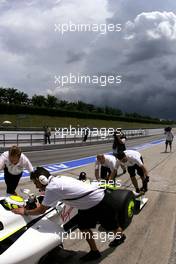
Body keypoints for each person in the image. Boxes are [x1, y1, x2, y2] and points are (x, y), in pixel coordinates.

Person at [12, 167, 126, 261]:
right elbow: (48, 201)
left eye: (35, 182)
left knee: (111, 227)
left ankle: (120, 237)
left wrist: (25, 211)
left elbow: (42, 210)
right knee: (83, 227)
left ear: (42, 180)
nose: (36, 186)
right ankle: (94, 252)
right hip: (86, 204)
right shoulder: (58, 178)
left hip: (99, 201)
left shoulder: (52, 188)